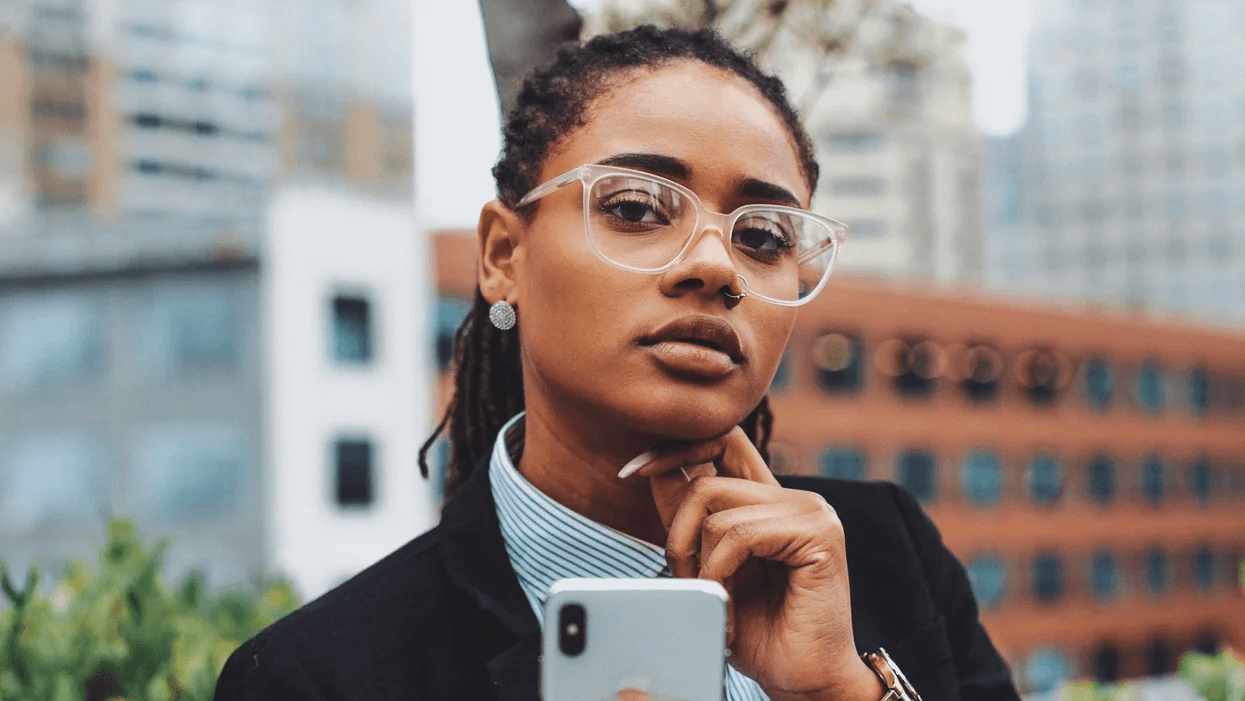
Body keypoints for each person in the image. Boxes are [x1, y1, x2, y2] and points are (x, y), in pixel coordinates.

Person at [214, 25, 1021, 701]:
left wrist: (841, 693)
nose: (717, 266)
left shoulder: (885, 551)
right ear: (503, 255)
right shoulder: (318, 675)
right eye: (635, 207)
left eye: (765, 236)